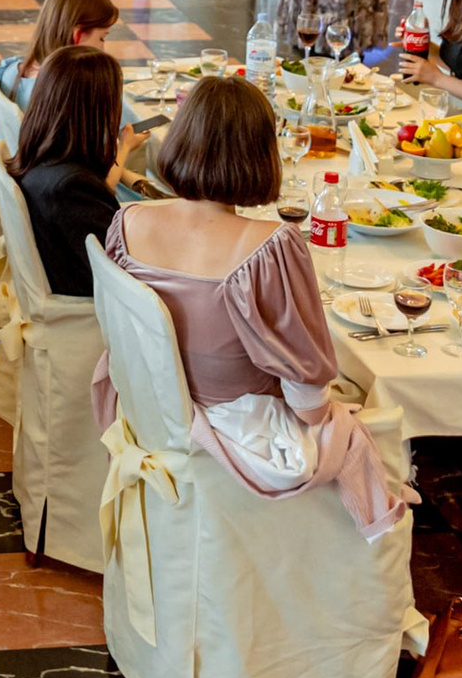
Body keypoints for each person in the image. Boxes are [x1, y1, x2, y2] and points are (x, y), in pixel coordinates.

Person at [96, 76, 409, 540]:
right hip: (240, 439)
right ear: (260, 155)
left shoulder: (125, 223)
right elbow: (306, 397)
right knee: (364, 412)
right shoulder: (269, 247)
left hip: (148, 413)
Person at [6, 44, 143, 297]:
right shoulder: (72, 186)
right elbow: (118, 267)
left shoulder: (40, 156)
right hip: (90, 299)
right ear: (95, 110)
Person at [0, 0, 118, 109]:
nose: (103, 49)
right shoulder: (79, 92)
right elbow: (128, 125)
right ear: (77, 34)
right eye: (101, 38)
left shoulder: (9, 72)